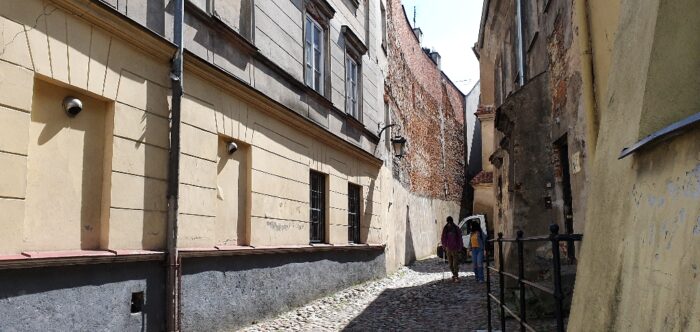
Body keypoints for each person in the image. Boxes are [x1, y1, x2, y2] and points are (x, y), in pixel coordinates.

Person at [441, 216, 463, 282]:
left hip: (455, 248)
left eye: (449, 222)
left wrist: (460, 246)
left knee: (455, 263)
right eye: (448, 222)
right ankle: (454, 274)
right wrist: (444, 245)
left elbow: (459, 238)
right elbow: (443, 237)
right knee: (450, 264)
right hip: (448, 248)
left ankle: (456, 276)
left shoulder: (456, 228)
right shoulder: (445, 228)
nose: (449, 223)